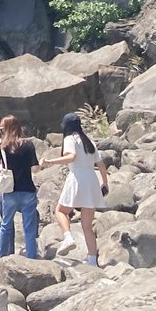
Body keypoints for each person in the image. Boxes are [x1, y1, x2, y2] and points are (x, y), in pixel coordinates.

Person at [46, 112, 108, 265]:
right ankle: (92, 260)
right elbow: (100, 164)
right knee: (87, 225)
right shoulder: (89, 141)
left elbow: (71, 157)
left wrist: (51, 161)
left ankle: (67, 237)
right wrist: (105, 183)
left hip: (77, 178)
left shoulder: (69, 139)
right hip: (92, 180)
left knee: (60, 211)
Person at [0, 114, 42, 259]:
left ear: (6, 129)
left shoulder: (1, 145)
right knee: (29, 227)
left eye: (2, 129)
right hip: (28, 190)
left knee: (6, 225)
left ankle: (1, 255)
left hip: (9, 191)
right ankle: (32, 256)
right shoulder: (28, 144)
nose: (0, 132)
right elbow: (35, 168)